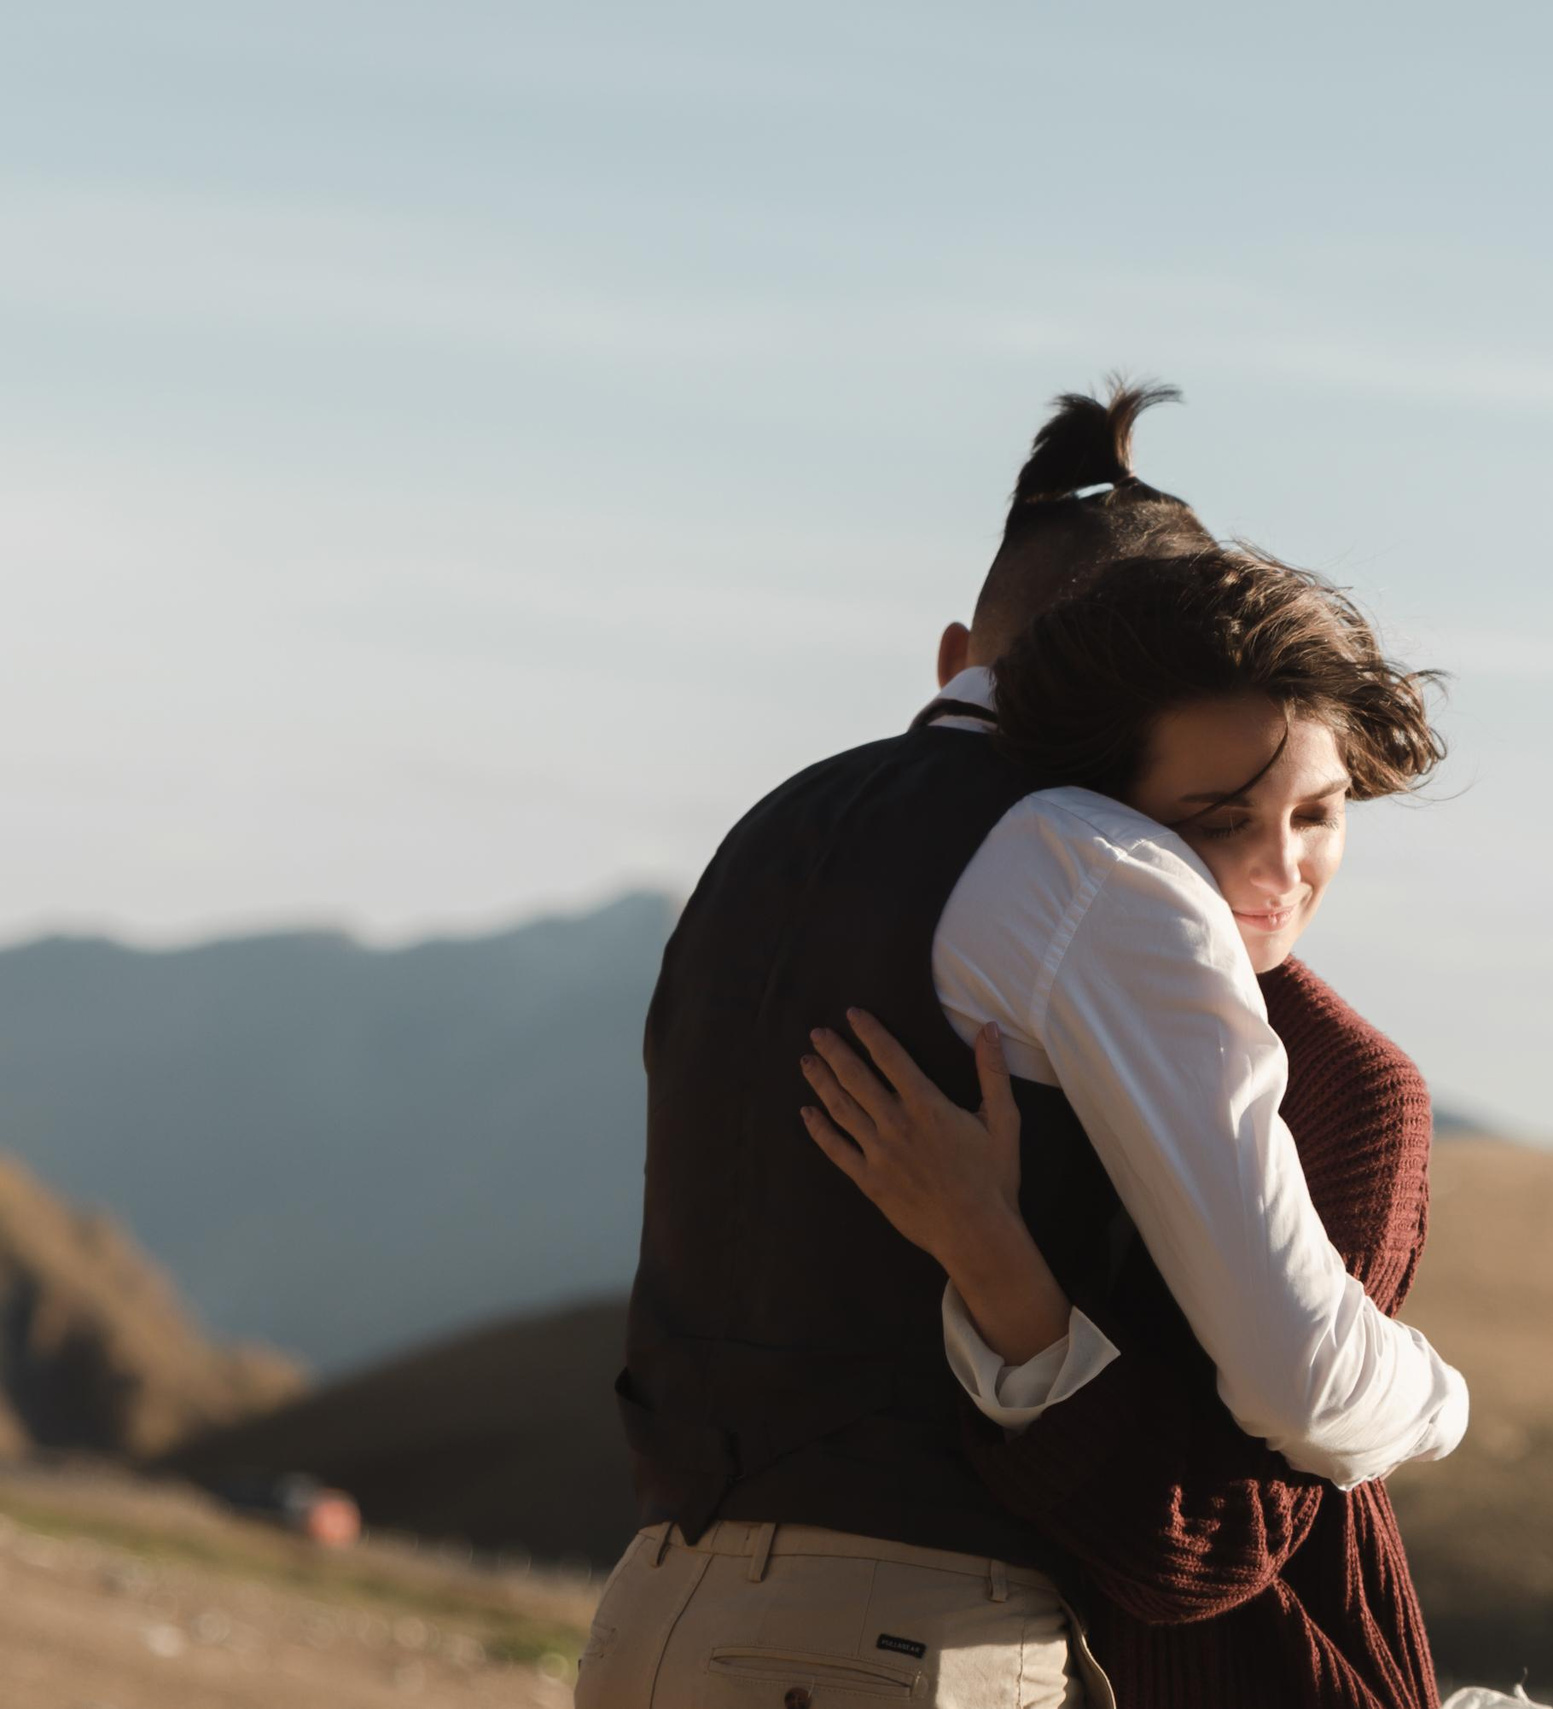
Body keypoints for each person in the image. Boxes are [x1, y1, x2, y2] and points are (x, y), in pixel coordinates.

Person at [577, 382, 1467, 1709]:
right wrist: (1441, 1402)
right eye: (1217, 810)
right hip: (903, 1637)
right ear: (1141, 675)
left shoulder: (775, 830)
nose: (1266, 861)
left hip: (659, 1605)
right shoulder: (1094, 863)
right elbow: (1295, 1375)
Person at [797, 546, 1452, 1707]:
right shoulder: (1018, 977)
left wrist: (990, 1254)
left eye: (1318, 812)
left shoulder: (1350, 1087)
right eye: (1216, 821)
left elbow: (1202, 1540)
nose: (1280, 867)